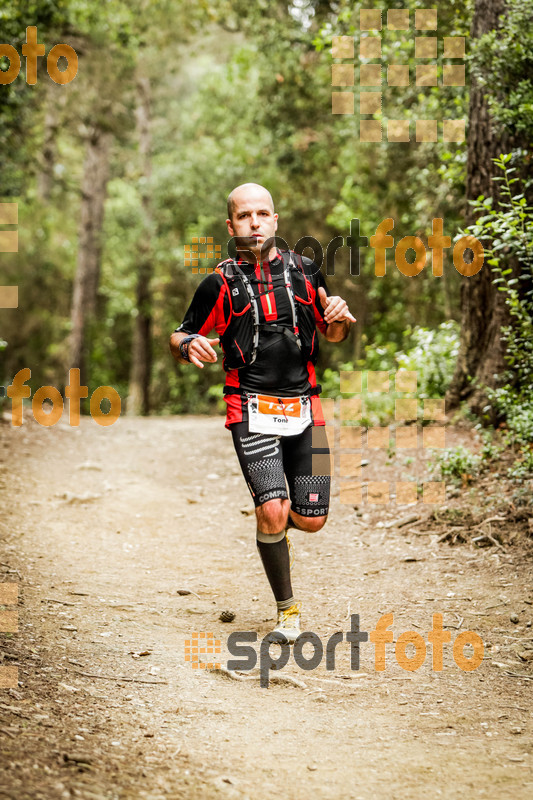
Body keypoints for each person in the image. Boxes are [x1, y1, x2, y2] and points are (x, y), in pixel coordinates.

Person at [170, 183, 355, 643]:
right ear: (231, 225)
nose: (255, 222)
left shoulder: (307, 272)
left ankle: (274, 519)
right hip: (248, 407)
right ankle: (287, 610)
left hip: (305, 406)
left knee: (311, 518)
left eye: (263, 213)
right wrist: (188, 343)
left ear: (276, 220)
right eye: (245, 215)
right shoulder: (219, 282)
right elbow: (179, 333)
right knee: (272, 510)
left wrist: (339, 320)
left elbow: (333, 335)